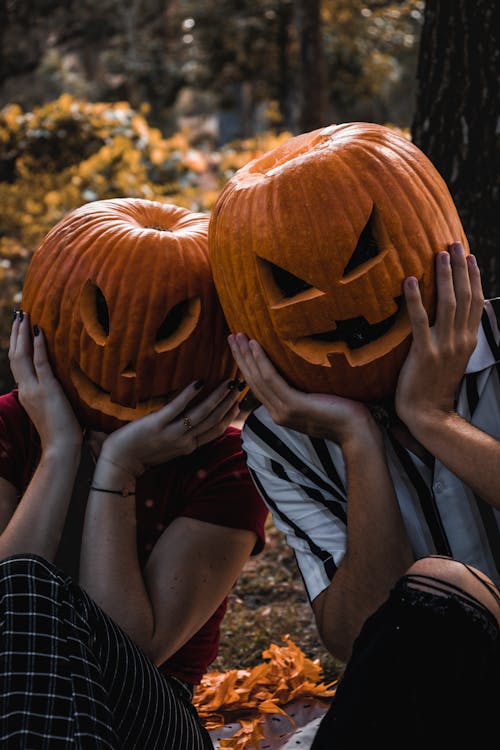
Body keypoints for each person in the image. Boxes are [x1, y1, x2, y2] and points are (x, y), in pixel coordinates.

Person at [228, 242, 500, 745]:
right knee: (436, 594)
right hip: (432, 702)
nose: (339, 296)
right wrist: (357, 440)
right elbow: (360, 636)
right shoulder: (280, 435)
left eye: (365, 253)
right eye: (291, 284)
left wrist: (433, 418)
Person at [0, 310, 267, 748]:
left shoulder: (227, 464)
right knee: (23, 581)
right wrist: (61, 451)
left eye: (170, 331)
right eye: (101, 320)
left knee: (27, 581)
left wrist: (118, 468)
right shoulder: (13, 423)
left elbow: (139, 649)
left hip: (148, 721)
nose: (128, 362)